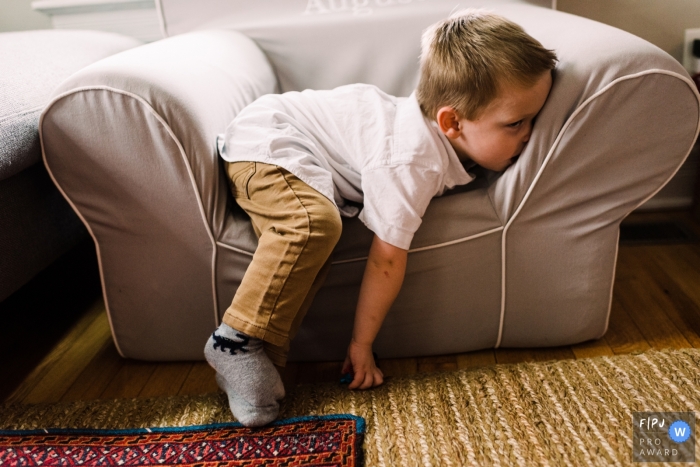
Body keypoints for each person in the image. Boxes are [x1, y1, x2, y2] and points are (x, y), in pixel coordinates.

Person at [204, 8, 557, 427]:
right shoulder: (410, 159)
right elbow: (386, 259)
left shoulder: (439, 140)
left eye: (532, 120)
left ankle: (259, 354)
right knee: (314, 224)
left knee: (312, 254)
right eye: (516, 123)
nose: (530, 134)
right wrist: (361, 344)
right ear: (451, 122)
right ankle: (233, 344)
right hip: (265, 143)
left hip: (285, 143)